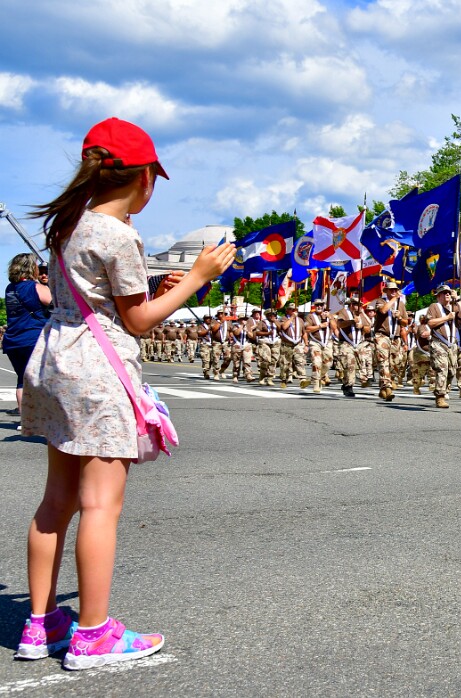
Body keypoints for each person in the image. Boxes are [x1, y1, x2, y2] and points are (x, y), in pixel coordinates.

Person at [20, 117, 234, 668]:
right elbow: (138, 321)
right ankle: (94, 634)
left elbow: (96, 299)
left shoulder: (66, 225)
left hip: (56, 360)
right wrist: (196, 277)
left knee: (56, 501)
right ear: (144, 179)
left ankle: (38, 625)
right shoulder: (120, 234)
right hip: (97, 370)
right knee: (100, 506)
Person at [3, 253, 52, 416]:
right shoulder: (36, 287)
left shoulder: (10, 289)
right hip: (33, 338)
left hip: (12, 340)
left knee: (22, 379)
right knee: (45, 378)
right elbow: (54, 303)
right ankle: (45, 418)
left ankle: (25, 419)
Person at [424, 285, 461, 409]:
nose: (447, 294)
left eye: (449, 293)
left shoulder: (454, 307)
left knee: (452, 371)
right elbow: (430, 323)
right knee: (442, 369)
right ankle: (439, 397)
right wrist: (447, 318)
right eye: (444, 293)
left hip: (451, 345)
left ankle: (444, 390)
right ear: (439, 296)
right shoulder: (434, 307)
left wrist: (458, 300)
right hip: (438, 343)